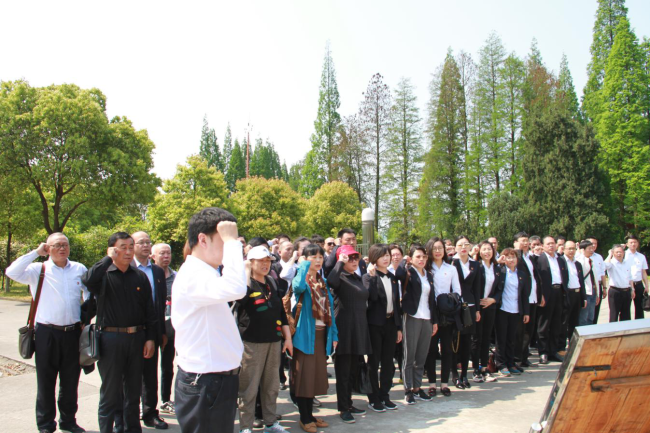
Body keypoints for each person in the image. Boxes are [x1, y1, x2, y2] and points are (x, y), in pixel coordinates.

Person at [171, 208, 247, 433]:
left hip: (213, 381)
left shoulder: (205, 272)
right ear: (203, 240)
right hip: (205, 382)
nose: (229, 247)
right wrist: (233, 243)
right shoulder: (193, 275)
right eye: (224, 241)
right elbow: (237, 288)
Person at [6, 233, 89, 433]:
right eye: (57, 245)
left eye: (65, 244)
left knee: (70, 381)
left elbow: (89, 293)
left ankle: (68, 421)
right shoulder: (38, 269)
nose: (62, 248)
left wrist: (86, 315)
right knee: (46, 381)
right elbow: (11, 272)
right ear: (48, 248)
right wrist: (36, 252)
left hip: (72, 333)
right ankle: (45, 424)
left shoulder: (79, 269)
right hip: (46, 333)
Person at [82, 232, 157, 433]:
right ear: (112, 249)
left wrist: (150, 338)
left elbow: (149, 310)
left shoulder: (139, 276)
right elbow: (87, 280)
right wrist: (107, 258)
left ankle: (131, 429)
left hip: (136, 338)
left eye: (131, 247)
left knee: (133, 392)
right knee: (110, 392)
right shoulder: (103, 275)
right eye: (122, 247)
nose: (128, 251)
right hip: (110, 339)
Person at [112, 231, 167, 431]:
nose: (145, 245)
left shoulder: (157, 271)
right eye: (141, 242)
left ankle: (150, 413)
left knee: (150, 375)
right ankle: (127, 418)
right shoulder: (125, 267)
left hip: (151, 330)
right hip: (129, 331)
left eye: (148, 242)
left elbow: (159, 304)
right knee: (127, 378)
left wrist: (160, 332)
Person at [235, 246, 292, 433]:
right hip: (251, 343)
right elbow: (240, 299)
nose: (265, 264)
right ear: (250, 262)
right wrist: (245, 272)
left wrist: (287, 338)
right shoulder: (245, 284)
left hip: (273, 341)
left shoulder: (271, 282)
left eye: (268, 261)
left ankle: (270, 422)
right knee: (249, 388)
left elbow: (281, 313)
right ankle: (246, 427)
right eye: (261, 261)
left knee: (271, 386)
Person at [291, 244, 338, 433]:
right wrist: (303, 265)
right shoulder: (301, 279)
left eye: (320, 257)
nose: (318, 260)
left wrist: (334, 334)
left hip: (321, 336)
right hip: (305, 336)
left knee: (314, 377)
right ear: (305, 259)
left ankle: (309, 415)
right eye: (313, 257)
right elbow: (297, 287)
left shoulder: (322, 281)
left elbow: (330, 310)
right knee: (304, 377)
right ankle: (304, 417)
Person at [328, 244, 372, 423]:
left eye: (355, 257)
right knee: (343, 372)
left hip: (359, 328)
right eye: (349, 258)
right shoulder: (339, 276)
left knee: (353, 369)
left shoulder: (356, 277)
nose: (354, 261)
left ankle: (349, 403)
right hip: (344, 329)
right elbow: (330, 282)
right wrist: (339, 262)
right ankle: (343, 407)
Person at [396, 244, 439, 404]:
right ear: (411, 258)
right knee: (409, 355)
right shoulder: (408, 272)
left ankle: (417, 387)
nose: (421, 259)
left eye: (423, 257)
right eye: (418, 257)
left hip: (426, 318)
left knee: (421, 356)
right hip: (412, 316)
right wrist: (404, 262)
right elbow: (398, 274)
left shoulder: (429, 275)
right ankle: (408, 390)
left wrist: (434, 320)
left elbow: (432, 299)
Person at [363, 244, 402, 412]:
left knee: (388, 362)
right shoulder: (368, 277)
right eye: (381, 256)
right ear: (374, 258)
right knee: (374, 362)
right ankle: (373, 397)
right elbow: (370, 298)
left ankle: (385, 395)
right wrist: (372, 278)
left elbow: (397, 304)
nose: (386, 259)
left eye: (387, 255)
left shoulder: (393, 277)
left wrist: (399, 327)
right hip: (374, 324)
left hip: (391, 323)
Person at [423, 238, 458, 397]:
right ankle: (432, 383)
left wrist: (449, 302)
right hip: (430, 312)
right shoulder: (426, 269)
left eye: (440, 248)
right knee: (431, 349)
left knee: (447, 349)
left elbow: (457, 291)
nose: (437, 251)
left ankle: (444, 383)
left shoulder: (451, 269)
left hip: (447, 313)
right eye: (434, 248)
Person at [451, 236, 481, 389]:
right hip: (455, 306)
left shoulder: (475, 264)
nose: (463, 247)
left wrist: (477, 309)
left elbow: (477, 288)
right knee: (454, 341)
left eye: (466, 244)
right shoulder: (451, 263)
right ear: (455, 247)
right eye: (460, 245)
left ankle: (464, 374)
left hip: (470, 306)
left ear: (470, 247)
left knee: (467, 342)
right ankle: (454, 374)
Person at [495, 249, 530, 376]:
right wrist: (498, 263)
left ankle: (511, 363)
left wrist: (526, 312)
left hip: (516, 310)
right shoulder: (500, 272)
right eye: (508, 257)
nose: (511, 260)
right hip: (502, 309)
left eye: (513, 257)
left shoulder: (521, 274)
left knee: (512, 338)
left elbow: (525, 294)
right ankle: (501, 364)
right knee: (501, 339)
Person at [151, 243, 177, 415]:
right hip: (153, 326)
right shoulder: (148, 275)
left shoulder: (176, 276)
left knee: (168, 366)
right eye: (162, 253)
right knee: (149, 368)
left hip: (172, 327)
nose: (166, 256)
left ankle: (166, 400)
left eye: (168, 253)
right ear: (153, 256)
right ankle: (148, 403)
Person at [534, 236, 568, 364]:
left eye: (553, 243)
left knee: (556, 323)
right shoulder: (539, 259)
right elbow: (537, 279)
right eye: (548, 244)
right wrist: (540, 295)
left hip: (559, 292)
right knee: (544, 324)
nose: (551, 246)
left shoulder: (560, 259)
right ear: (543, 246)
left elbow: (565, 276)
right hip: (546, 294)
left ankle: (553, 351)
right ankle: (543, 352)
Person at [472, 240, 502, 383]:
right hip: (478, 307)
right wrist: (477, 306)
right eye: (484, 249)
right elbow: (473, 288)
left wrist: (493, 300)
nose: (487, 252)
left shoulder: (497, 268)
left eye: (489, 249)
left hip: (490, 307)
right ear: (479, 251)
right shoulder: (476, 266)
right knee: (476, 339)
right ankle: (475, 369)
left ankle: (484, 368)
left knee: (486, 339)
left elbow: (499, 289)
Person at [513, 232, 541, 368]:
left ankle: (524, 357)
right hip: (522, 299)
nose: (525, 243)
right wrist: (517, 251)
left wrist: (540, 295)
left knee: (529, 329)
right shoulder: (516, 257)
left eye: (526, 241)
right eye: (522, 241)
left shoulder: (529, 257)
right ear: (515, 243)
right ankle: (517, 358)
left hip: (533, 297)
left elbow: (535, 278)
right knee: (519, 331)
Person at [560, 241, 586, 350]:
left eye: (573, 249)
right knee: (564, 321)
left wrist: (583, 297)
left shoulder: (577, 263)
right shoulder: (561, 261)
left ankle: (572, 344)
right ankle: (561, 346)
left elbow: (581, 281)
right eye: (569, 248)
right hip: (567, 294)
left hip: (577, 293)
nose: (571, 251)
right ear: (564, 249)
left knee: (574, 321)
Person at [388, 244, 405, 382]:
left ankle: (402, 374)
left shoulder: (407, 270)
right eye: (392, 254)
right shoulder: (385, 271)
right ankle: (390, 374)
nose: (395, 257)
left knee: (402, 345)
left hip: (403, 310)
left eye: (398, 254)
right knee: (391, 346)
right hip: (391, 311)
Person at [604, 245, 634, 322]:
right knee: (614, 314)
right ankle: (613, 329)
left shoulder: (627, 263)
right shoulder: (611, 262)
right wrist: (610, 255)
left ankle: (625, 329)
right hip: (615, 291)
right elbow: (604, 266)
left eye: (620, 252)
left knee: (626, 315)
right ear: (613, 253)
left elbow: (630, 277)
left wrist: (632, 289)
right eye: (616, 252)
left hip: (626, 291)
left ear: (623, 253)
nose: (619, 254)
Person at [624, 235, 648, 319]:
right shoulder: (623, 255)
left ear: (637, 243)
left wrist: (646, 286)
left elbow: (643, 272)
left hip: (638, 284)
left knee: (639, 307)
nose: (633, 244)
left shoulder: (641, 256)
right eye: (631, 242)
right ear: (627, 244)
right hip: (627, 285)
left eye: (635, 242)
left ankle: (639, 324)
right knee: (626, 307)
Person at [576, 240, 598, 326]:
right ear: (583, 250)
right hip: (586, 292)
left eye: (592, 248)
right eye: (589, 248)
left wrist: (597, 294)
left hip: (593, 291)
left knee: (590, 317)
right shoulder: (580, 260)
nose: (592, 250)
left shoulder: (591, 260)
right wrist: (581, 253)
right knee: (583, 318)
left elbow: (595, 278)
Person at [587, 237, 607, 324]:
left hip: (597, 286)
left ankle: (594, 328)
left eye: (595, 243)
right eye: (591, 243)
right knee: (586, 312)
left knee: (595, 310)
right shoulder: (580, 257)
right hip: (587, 286)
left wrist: (604, 287)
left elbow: (602, 273)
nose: (594, 245)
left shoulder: (599, 257)